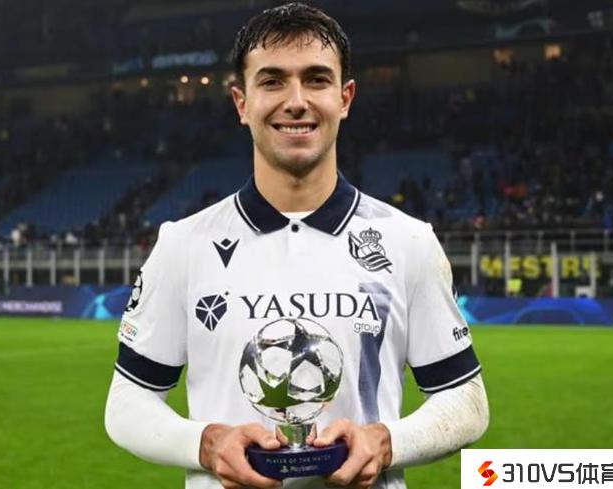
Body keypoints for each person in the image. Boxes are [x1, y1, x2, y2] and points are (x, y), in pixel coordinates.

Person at [105, 3, 489, 489]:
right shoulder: (182, 245)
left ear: (345, 98)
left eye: (316, 79)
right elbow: (127, 404)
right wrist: (207, 443)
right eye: (272, 81)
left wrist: (386, 441)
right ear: (241, 103)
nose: (296, 101)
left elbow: (466, 399)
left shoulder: (407, 241)